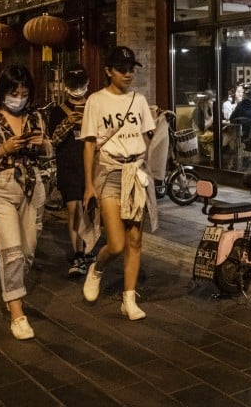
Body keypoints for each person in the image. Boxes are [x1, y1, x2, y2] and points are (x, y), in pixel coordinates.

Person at [0, 65, 53, 340]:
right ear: (3, 93)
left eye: (24, 93)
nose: (19, 98)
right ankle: (17, 313)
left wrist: (42, 144)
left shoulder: (35, 117)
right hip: (0, 188)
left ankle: (11, 285)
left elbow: (48, 153)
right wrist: (3, 149)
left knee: (27, 250)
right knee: (13, 251)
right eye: (14, 93)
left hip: (32, 186)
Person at [81, 46, 157, 321]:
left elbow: (148, 137)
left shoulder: (139, 100)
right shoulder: (96, 101)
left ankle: (128, 298)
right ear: (108, 71)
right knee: (116, 243)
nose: (128, 74)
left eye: (131, 69)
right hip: (110, 172)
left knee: (135, 240)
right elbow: (89, 144)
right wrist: (89, 184)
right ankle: (97, 268)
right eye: (122, 69)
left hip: (135, 172)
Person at [46, 65, 92, 278]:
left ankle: (87, 248)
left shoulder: (95, 107)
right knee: (74, 209)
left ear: (87, 84)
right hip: (69, 168)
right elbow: (53, 140)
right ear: (66, 86)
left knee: (90, 211)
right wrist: (68, 122)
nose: (78, 89)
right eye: (74, 85)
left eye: (81, 84)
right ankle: (77, 254)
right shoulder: (57, 111)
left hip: (91, 169)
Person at [191, 89, 216, 162]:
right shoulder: (198, 111)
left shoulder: (208, 110)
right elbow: (203, 128)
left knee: (229, 136)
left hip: (207, 133)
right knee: (224, 137)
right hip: (200, 135)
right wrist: (213, 115)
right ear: (206, 101)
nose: (213, 102)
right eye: (211, 100)